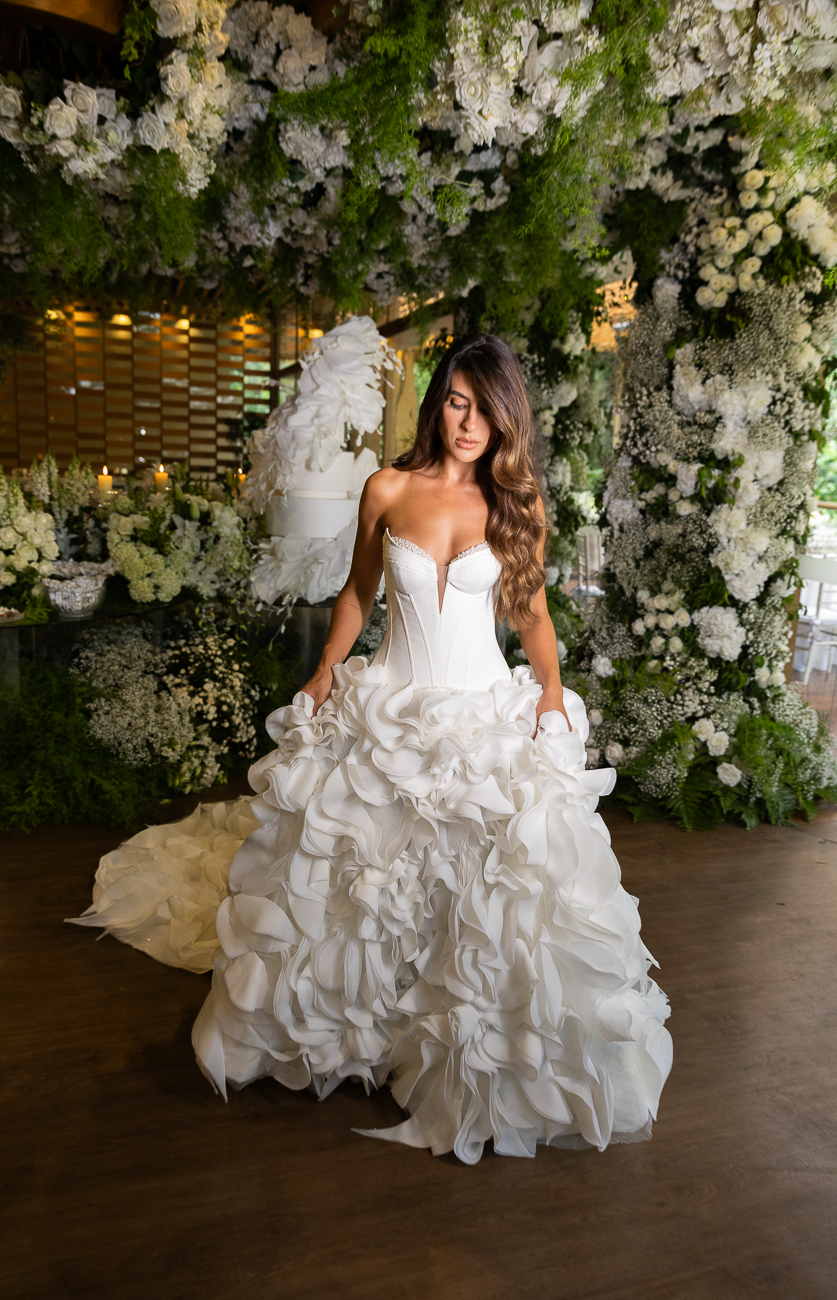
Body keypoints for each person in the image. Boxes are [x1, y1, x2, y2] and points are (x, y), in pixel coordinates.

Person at [71, 334, 672, 1164]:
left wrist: (546, 695)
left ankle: (455, 1048)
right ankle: (353, 1039)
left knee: (493, 896)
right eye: (456, 401)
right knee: (353, 881)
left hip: (478, 715)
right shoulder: (386, 487)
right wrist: (324, 672)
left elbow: (531, 615)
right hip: (386, 705)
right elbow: (357, 593)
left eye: (485, 407)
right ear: (438, 405)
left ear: (506, 418)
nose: (468, 422)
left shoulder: (513, 502)